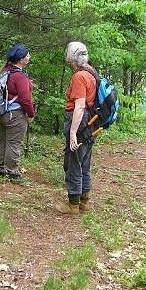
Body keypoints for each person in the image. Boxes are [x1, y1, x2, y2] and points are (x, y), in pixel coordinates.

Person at [56, 41, 97, 215]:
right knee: (84, 161)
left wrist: (73, 133)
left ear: (71, 56)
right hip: (92, 122)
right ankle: (84, 202)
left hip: (80, 121)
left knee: (73, 162)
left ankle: (73, 204)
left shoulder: (79, 77)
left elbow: (79, 106)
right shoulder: (91, 71)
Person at [0, 44, 35, 184]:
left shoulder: (5, 72)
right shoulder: (19, 76)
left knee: (3, 140)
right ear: (21, 59)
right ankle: (12, 172)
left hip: (3, 113)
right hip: (15, 115)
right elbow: (26, 99)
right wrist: (30, 114)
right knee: (14, 143)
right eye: (27, 55)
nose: (29, 57)